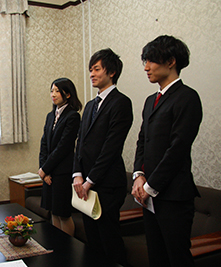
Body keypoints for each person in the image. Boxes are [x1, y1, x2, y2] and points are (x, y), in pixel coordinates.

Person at [132, 35, 202, 267]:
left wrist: (150, 187)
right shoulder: (151, 99)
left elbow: (178, 149)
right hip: (149, 197)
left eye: (151, 61)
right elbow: (143, 140)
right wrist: (138, 175)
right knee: (156, 256)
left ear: (171, 61)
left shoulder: (187, 97)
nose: (146, 67)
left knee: (177, 258)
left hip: (173, 196)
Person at [73, 49, 133, 266]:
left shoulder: (121, 103)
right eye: (90, 70)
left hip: (107, 185)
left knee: (109, 239)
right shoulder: (89, 106)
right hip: (86, 185)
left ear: (112, 72)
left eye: (96, 69)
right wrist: (77, 174)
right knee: (93, 240)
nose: (91, 74)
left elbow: (111, 148)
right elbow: (80, 143)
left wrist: (90, 181)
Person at [39, 78, 82, 236]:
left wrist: (46, 168)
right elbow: (44, 143)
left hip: (63, 172)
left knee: (63, 214)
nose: (53, 94)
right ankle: (57, 246)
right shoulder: (51, 116)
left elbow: (63, 147)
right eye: (52, 90)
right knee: (53, 213)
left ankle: (68, 249)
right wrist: (44, 170)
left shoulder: (73, 117)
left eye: (57, 91)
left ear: (68, 94)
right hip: (49, 173)